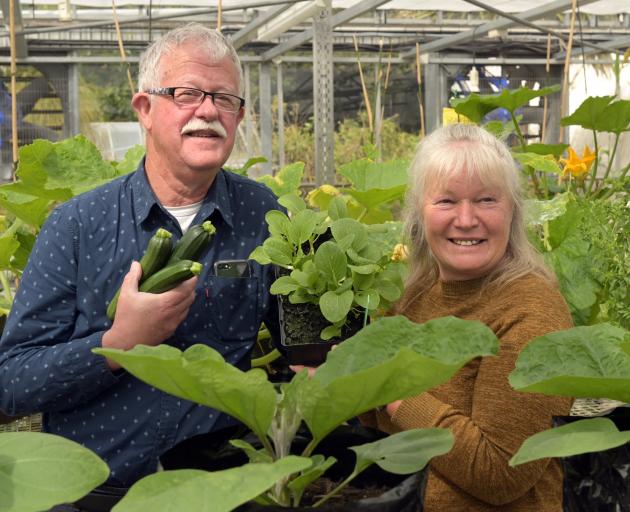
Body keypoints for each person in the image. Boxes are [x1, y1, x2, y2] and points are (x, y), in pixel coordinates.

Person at [0, 23, 280, 487]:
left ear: (239, 116)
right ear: (145, 109)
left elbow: (305, 333)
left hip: (222, 490)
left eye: (224, 98)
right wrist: (118, 345)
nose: (208, 110)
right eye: (187, 93)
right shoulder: (76, 225)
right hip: (98, 492)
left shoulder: (263, 212)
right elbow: (10, 381)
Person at [362, 123, 573, 511]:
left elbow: (501, 472)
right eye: (446, 201)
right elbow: (390, 424)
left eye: (486, 200)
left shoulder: (531, 311)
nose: (465, 219)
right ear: (419, 215)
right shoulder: (414, 297)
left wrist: (388, 390)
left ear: (513, 212)